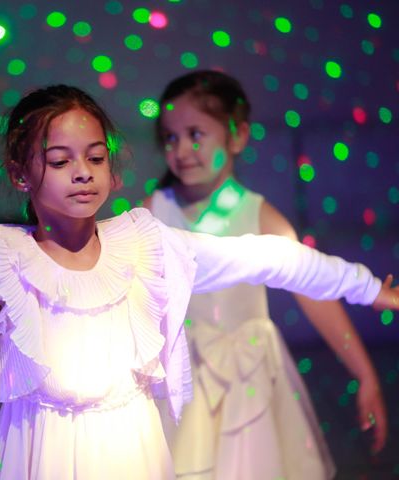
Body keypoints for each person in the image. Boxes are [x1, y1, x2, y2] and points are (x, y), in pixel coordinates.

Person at [0, 84, 397, 480]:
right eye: (59, 160)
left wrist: (372, 289)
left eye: (95, 158)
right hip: (40, 448)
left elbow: (271, 257)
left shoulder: (147, 247)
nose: (82, 173)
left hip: (131, 445)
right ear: (21, 173)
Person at [145, 70, 388, 479]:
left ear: (237, 136)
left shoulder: (259, 215)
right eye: (171, 138)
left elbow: (317, 296)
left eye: (195, 134)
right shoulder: (154, 210)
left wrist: (365, 374)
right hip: (182, 378)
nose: (182, 149)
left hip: (248, 380)